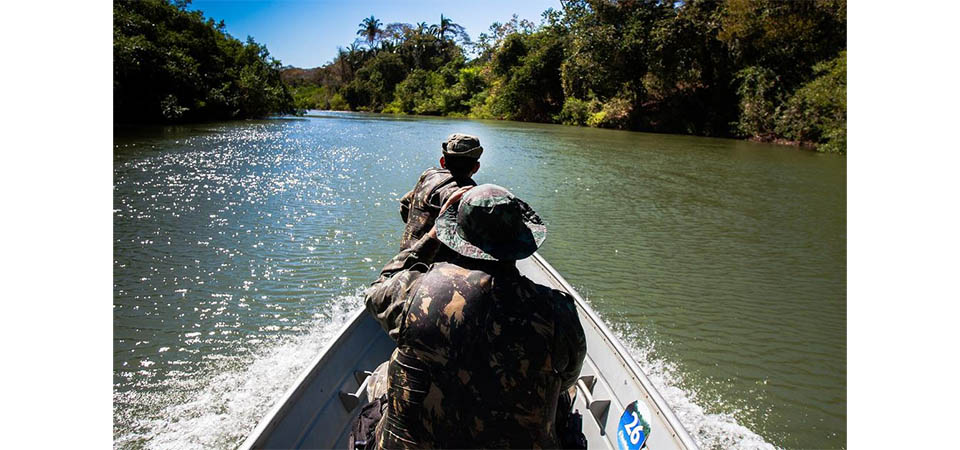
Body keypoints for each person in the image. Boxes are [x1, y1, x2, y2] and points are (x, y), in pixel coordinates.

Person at [365, 184, 587, 449]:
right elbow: (568, 378)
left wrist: (431, 237)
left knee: (382, 374)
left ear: (456, 237)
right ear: (520, 241)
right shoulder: (558, 312)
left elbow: (377, 290)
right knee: (565, 395)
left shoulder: (414, 292)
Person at [398, 133, 482, 261]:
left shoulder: (429, 175)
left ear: (443, 162)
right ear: (476, 167)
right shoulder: (466, 194)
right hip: (433, 270)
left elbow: (405, 204)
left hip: (403, 259)